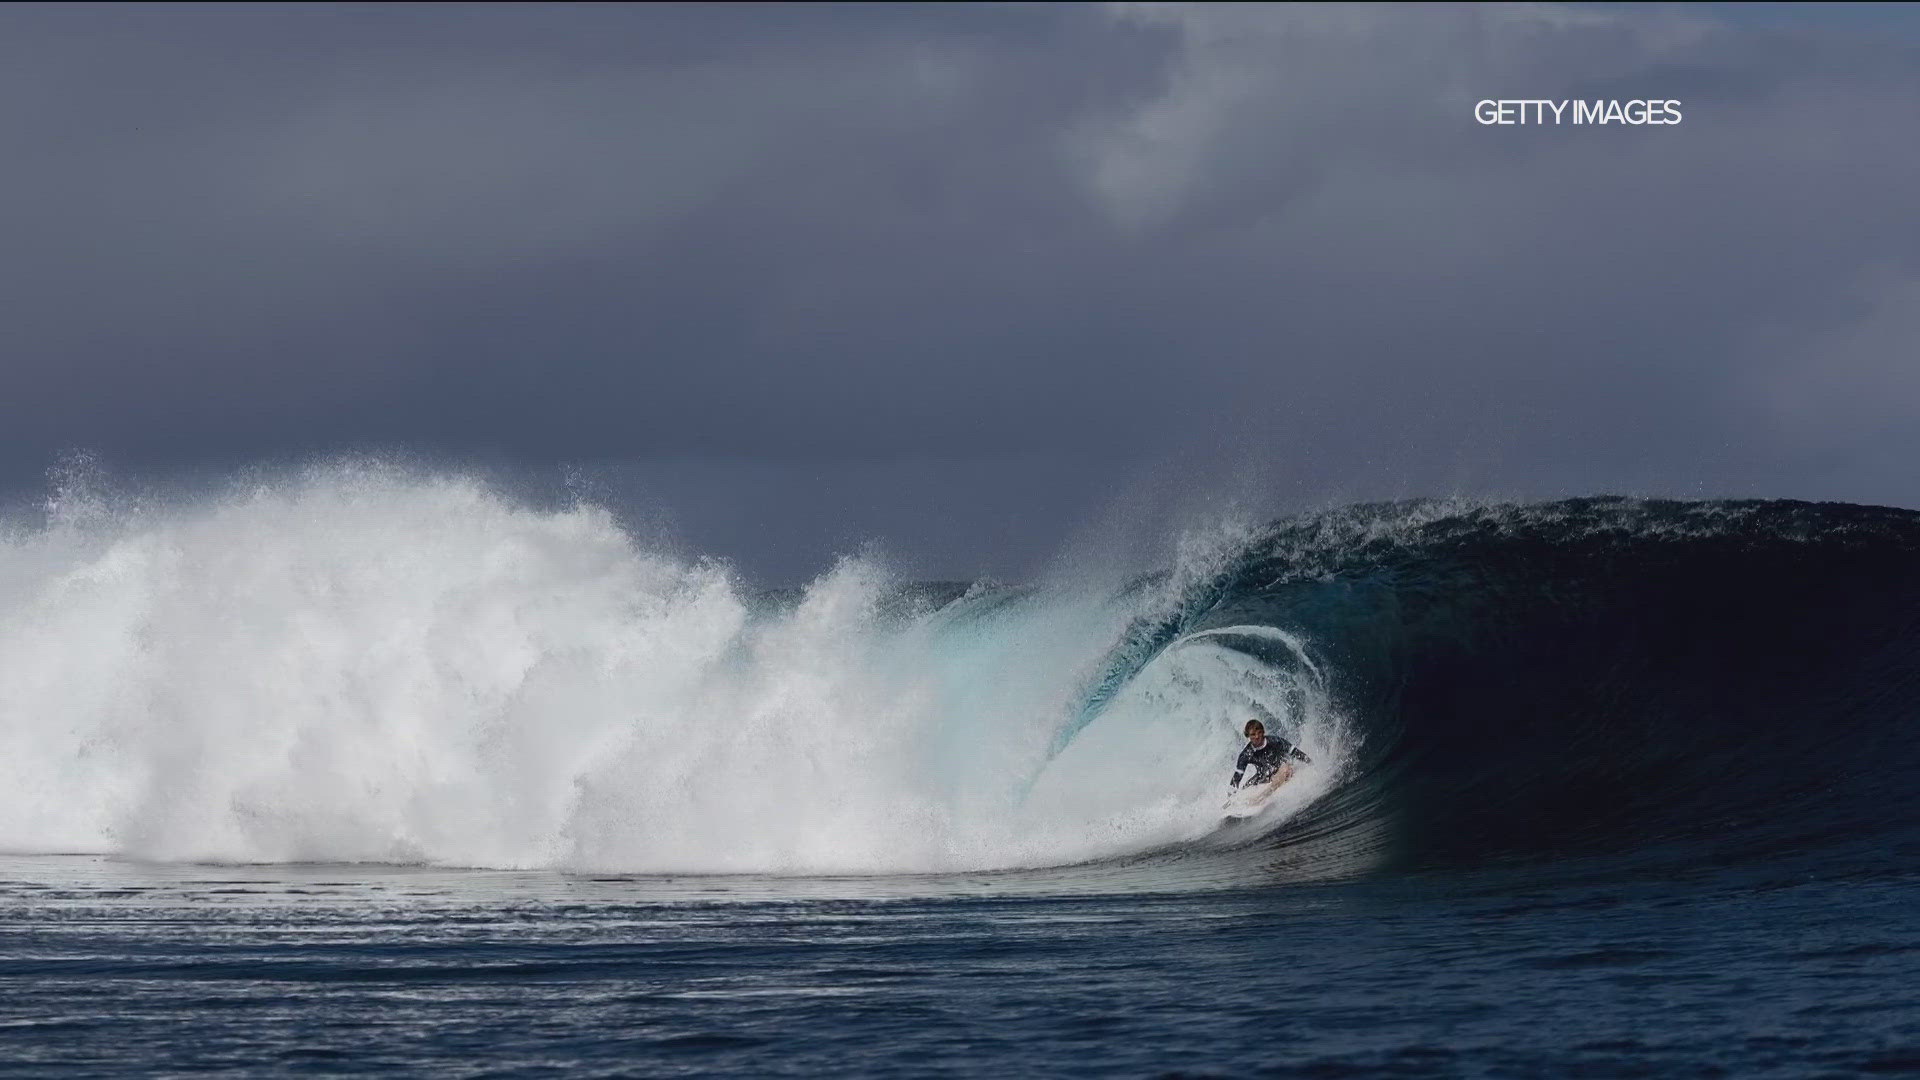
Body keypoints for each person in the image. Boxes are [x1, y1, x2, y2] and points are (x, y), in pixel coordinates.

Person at [1227, 718, 1311, 795]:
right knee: (1245, 790)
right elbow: (1237, 777)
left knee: (1286, 770)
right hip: (1263, 776)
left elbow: (1296, 752)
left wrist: (1311, 764)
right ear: (1248, 736)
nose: (1257, 737)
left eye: (1259, 733)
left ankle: (1266, 795)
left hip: (1281, 770)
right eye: (1253, 735)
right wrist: (1231, 796)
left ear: (1263, 732)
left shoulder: (1275, 741)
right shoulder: (1246, 754)